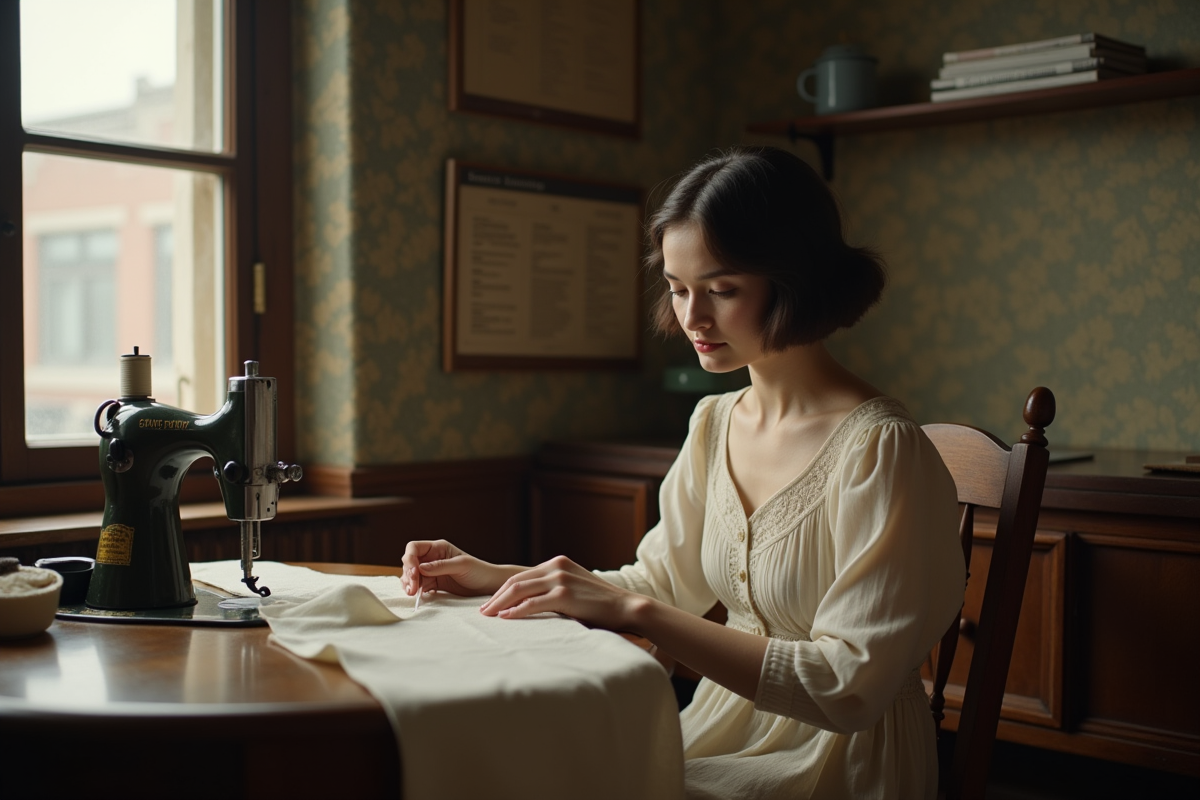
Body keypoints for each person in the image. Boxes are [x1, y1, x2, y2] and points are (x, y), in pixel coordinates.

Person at [401, 146, 965, 799]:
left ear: (797, 281)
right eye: (677, 289)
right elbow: (661, 584)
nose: (691, 319)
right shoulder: (715, 423)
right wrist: (496, 577)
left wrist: (634, 609)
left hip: (840, 765)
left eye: (721, 291)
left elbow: (847, 688)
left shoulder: (880, 452)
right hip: (721, 731)